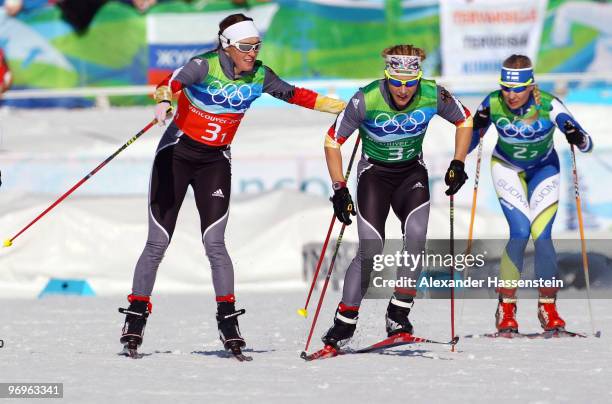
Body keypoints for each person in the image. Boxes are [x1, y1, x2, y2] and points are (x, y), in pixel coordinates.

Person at [119, 13, 346, 357]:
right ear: (227, 46)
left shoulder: (259, 76)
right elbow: (169, 82)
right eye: (245, 47)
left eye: (256, 46)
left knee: (215, 243)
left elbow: (297, 95)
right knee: (158, 243)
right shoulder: (204, 66)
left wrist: (348, 108)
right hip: (176, 157)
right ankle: (135, 318)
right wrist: (165, 100)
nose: (252, 53)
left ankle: (228, 320)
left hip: (214, 162)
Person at [319, 44, 473, 351]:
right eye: (396, 82)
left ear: (418, 79)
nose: (403, 90)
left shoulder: (433, 94)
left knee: (416, 238)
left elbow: (465, 120)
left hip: (411, 174)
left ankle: (398, 314)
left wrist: (458, 162)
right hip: (373, 176)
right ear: (387, 76)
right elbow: (332, 141)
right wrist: (339, 188)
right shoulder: (367, 98)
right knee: (371, 250)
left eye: (410, 82)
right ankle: (343, 324)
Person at [469, 54, 593, 334]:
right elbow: (469, 141)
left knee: (543, 235)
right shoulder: (492, 102)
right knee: (520, 232)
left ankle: (548, 308)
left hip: (544, 169)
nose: (511, 95)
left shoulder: (548, 104)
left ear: (531, 86)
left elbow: (586, 143)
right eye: (506, 88)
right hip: (506, 167)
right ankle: (506, 309)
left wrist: (576, 134)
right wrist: (462, 152)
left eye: (518, 89)